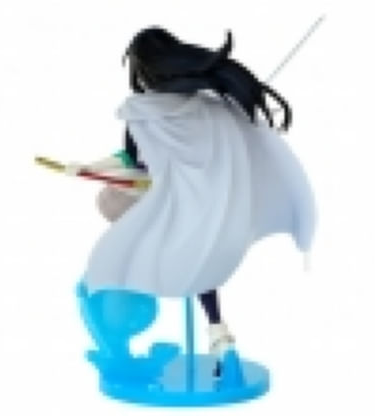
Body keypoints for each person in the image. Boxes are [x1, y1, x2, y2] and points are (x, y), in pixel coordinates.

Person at [65, 26, 316, 377]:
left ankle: (142, 339)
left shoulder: (141, 114)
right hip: (215, 219)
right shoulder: (213, 110)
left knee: (114, 255)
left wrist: (89, 169)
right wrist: (90, 168)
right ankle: (221, 340)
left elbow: (132, 160)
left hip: (176, 217)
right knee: (200, 271)